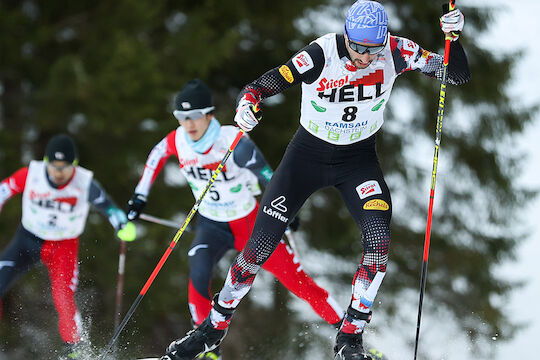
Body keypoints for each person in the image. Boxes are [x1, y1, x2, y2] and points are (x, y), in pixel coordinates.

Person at [163, 1, 470, 359]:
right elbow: (265, 83)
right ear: (346, 36)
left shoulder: (398, 50)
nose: (364, 58)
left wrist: (454, 38)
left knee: (378, 244)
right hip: (306, 159)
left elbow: (455, 74)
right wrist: (248, 102)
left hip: (358, 162)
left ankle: (350, 338)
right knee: (256, 251)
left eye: (373, 49)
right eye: (357, 47)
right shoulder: (322, 53)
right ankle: (212, 329)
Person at [127, 79, 345, 359]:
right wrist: (139, 196)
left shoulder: (233, 140)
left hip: (249, 222)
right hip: (210, 224)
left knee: (295, 280)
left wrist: (285, 210)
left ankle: (347, 332)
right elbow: (155, 156)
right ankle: (208, 349)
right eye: (181, 118)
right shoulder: (177, 140)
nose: (188, 124)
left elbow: (269, 176)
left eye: (194, 117)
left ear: (209, 115)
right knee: (198, 273)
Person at [0, 134, 136, 359]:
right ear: (46, 162)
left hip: (63, 245)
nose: (59, 173)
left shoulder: (84, 182)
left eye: (65, 167)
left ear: (74, 165)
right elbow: (4, 190)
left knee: (63, 296)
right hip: (27, 239)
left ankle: (75, 349)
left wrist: (121, 223)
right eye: (54, 166)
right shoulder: (31, 174)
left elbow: (108, 207)